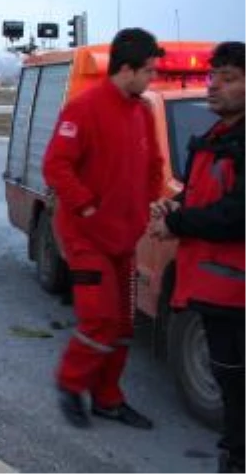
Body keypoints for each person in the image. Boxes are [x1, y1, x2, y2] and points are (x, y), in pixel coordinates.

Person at [43, 27, 165, 429]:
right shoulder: (84, 108)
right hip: (87, 238)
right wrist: (88, 207)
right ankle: (70, 384)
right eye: (148, 71)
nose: (152, 78)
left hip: (123, 241)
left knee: (124, 326)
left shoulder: (142, 112)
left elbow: (152, 168)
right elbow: (56, 166)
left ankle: (108, 399)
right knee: (99, 320)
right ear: (126, 69)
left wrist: (147, 207)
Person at [148, 42, 246, 473]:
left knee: (239, 384)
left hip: (238, 292)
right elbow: (198, 195)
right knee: (229, 381)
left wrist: (178, 225)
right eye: (214, 76)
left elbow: (236, 216)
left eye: (230, 78)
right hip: (213, 288)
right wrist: (176, 208)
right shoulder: (210, 140)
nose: (215, 86)